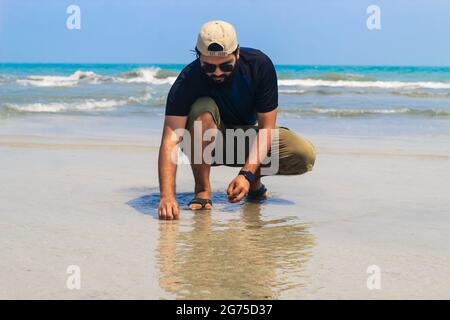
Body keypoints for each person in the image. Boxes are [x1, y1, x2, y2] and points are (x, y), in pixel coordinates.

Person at [158, 20, 316, 220]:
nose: (217, 72)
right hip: (205, 146)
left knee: (302, 153)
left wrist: (247, 175)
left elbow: (266, 129)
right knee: (202, 109)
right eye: (208, 67)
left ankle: (253, 183)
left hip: (247, 141)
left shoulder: (259, 66)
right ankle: (203, 191)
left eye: (225, 65)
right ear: (198, 57)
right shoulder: (187, 80)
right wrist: (167, 196)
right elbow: (170, 139)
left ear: (237, 53)